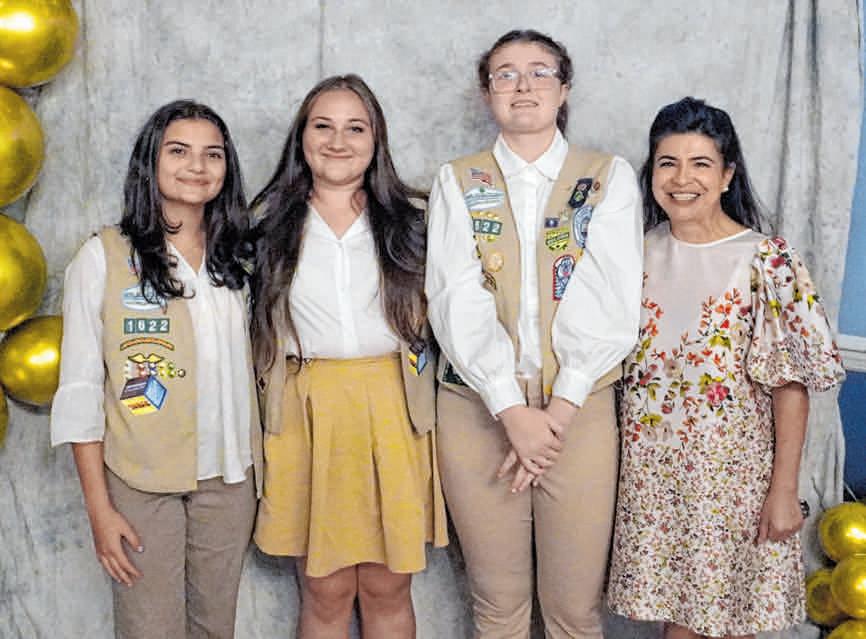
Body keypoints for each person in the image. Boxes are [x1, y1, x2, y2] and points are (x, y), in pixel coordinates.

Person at [425, 29, 643, 638]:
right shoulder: (458, 180)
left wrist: (557, 411)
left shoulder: (606, 176)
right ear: (486, 92)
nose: (523, 85)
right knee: (498, 606)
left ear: (564, 88)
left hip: (580, 407)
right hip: (477, 409)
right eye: (506, 74)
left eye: (540, 71)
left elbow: (610, 295)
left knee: (573, 610)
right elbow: (454, 295)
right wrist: (510, 409)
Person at [606, 96, 846, 639]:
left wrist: (783, 489)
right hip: (652, 478)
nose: (681, 179)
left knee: (731, 621)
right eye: (667, 163)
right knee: (679, 622)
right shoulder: (634, 254)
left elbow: (790, 387)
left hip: (733, 481)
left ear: (727, 174)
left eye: (700, 164)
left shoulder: (766, 260)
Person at [50, 100, 262, 638]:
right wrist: (100, 510)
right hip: (141, 482)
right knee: (150, 628)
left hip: (229, 480)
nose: (197, 166)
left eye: (213, 154)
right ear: (151, 161)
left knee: (216, 626)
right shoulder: (103, 257)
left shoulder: (240, 260)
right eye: (179, 151)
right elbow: (80, 390)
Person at [249, 74, 447, 639]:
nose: (338, 141)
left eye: (355, 128)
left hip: (392, 404)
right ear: (301, 138)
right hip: (306, 409)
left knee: (388, 585)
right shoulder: (266, 227)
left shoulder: (415, 222)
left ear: (376, 139)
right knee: (325, 588)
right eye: (323, 126)